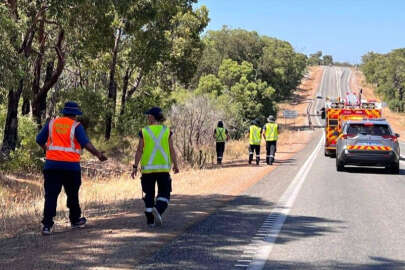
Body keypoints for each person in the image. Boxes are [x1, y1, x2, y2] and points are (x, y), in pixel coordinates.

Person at [36, 101, 107, 235]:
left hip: (52, 166)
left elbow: (39, 139)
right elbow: (85, 143)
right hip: (71, 167)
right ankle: (75, 220)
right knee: (72, 194)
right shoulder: (76, 126)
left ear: (64, 112)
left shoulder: (52, 123)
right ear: (75, 114)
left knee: (51, 195)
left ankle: (47, 225)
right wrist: (98, 154)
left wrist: (47, 149)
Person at [131, 107, 179, 227]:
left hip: (147, 169)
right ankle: (159, 209)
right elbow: (171, 149)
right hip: (163, 169)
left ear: (153, 117)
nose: (147, 117)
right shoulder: (166, 131)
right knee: (164, 192)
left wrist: (135, 167)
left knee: (149, 194)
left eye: (148, 115)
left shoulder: (144, 131)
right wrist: (175, 165)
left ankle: (150, 220)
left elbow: (139, 150)